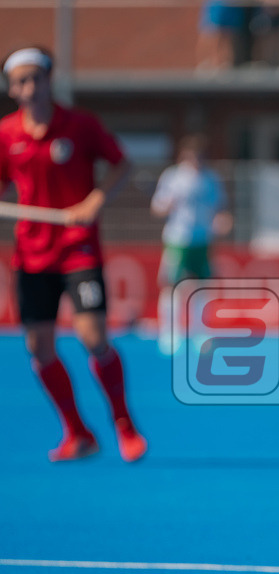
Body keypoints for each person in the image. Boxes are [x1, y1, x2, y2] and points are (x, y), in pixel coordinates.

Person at [0, 46, 147, 463]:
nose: (29, 87)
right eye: (21, 81)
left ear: (49, 80)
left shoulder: (80, 126)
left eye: (36, 78)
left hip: (78, 250)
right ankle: (77, 432)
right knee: (38, 346)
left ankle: (123, 423)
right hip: (30, 256)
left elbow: (121, 166)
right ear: (11, 88)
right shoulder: (6, 133)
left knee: (93, 337)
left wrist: (95, 202)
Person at [150, 133, 233, 355]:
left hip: (202, 240)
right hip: (178, 239)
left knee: (202, 288)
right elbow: (157, 207)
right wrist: (167, 205)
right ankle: (169, 332)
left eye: (200, 157)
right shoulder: (173, 177)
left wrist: (222, 220)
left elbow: (220, 209)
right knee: (173, 286)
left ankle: (200, 331)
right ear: (183, 156)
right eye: (192, 157)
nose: (196, 161)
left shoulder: (211, 179)